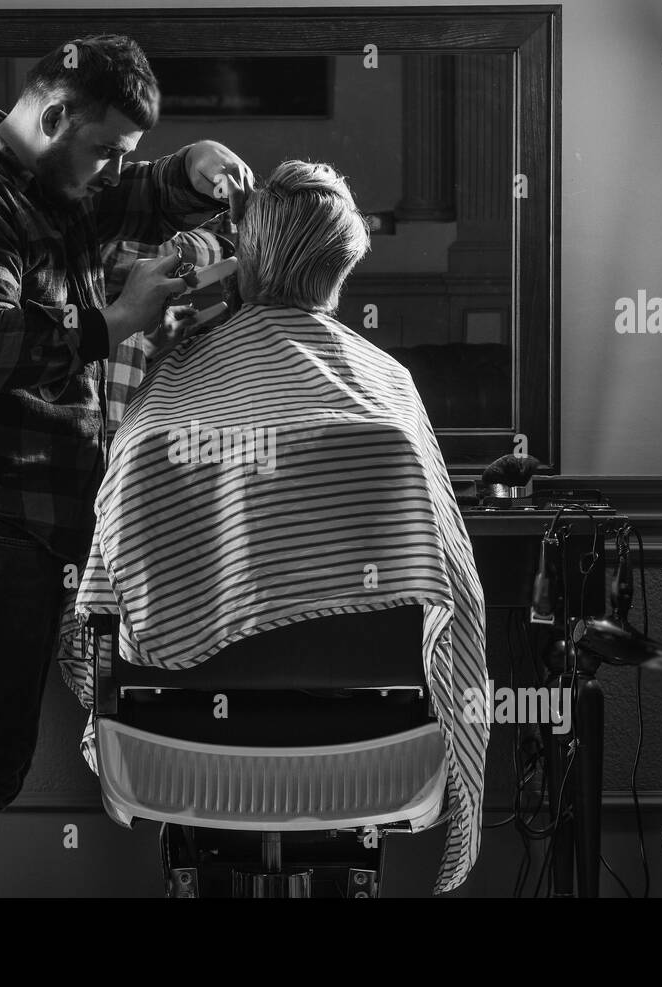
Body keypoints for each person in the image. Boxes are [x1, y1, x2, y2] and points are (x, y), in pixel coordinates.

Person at [0, 33, 253, 897]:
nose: (114, 169)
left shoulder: (60, 183)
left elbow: (143, 192)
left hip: (23, 520)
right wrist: (118, 320)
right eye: (106, 149)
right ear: (53, 117)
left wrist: (192, 166)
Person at [65, 160, 489, 893]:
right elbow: (448, 589)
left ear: (248, 262)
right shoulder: (387, 399)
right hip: (378, 744)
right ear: (340, 267)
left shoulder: (170, 395)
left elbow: (107, 595)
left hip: (170, 743)